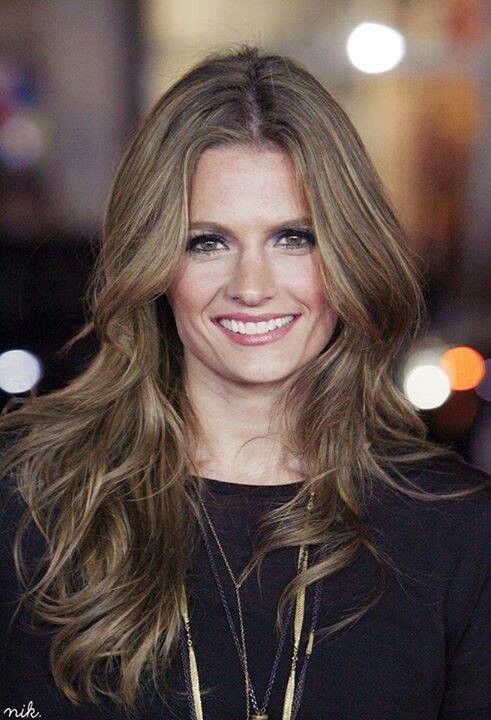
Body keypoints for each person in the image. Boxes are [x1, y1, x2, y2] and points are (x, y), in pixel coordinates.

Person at [0, 45, 489, 720]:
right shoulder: (28, 505)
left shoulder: (458, 533)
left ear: (350, 252)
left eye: (294, 237)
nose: (252, 287)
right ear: (153, 260)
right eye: (207, 241)